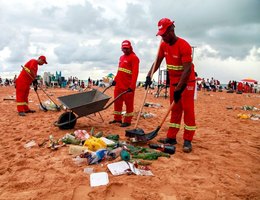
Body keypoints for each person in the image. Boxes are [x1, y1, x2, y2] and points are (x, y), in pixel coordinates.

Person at [145, 18, 196, 153]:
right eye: (161, 35)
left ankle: (187, 140)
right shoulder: (163, 45)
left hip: (187, 82)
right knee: (175, 109)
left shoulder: (184, 45)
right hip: (173, 81)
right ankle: (171, 137)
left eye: (164, 34)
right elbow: (157, 62)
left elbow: (187, 69)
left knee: (188, 109)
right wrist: (149, 75)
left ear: (172, 30)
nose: (162, 37)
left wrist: (180, 88)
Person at [110, 40, 139, 127]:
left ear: (130, 48)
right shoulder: (121, 58)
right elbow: (119, 70)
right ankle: (117, 119)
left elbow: (135, 73)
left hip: (128, 86)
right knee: (117, 102)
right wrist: (115, 79)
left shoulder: (134, 58)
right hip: (119, 85)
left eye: (126, 48)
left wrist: (132, 86)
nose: (125, 50)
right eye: (123, 49)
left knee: (129, 104)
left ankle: (127, 121)